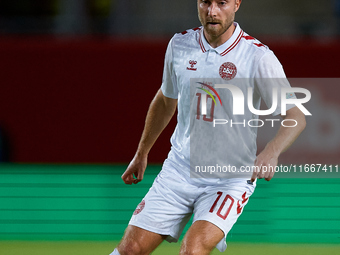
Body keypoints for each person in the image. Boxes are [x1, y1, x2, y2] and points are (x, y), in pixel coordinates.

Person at [110, 0, 306, 254]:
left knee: (193, 250)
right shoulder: (179, 45)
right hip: (178, 170)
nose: (212, 11)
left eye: (221, 3)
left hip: (230, 178)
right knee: (130, 249)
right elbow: (166, 99)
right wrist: (142, 152)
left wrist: (271, 150)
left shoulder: (258, 57)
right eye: (205, 2)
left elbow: (296, 116)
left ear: (236, 4)